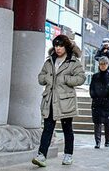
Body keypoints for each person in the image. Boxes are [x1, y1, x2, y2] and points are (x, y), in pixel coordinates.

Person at [33, 35, 85, 168]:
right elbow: (40, 77)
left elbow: (81, 78)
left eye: (60, 46)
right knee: (47, 129)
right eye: (56, 45)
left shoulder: (73, 62)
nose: (58, 48)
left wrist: (67, 79)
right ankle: (41, 155)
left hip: (65, 101)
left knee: (67, 129)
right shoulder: (49, 61)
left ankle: (68, 155)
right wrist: (47, 78)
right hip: (50, 100)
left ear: (66, 46)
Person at [89, 56, 109, 149]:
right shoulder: (95, 76)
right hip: (96, 102)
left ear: (108, 64)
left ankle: (107, 140)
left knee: (107, 122)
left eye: (104, 64)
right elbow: (91, 87)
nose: (102, 66)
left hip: (107, 102)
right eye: (101, 64)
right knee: (97, 123)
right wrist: (93, 95)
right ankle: (97, 142)